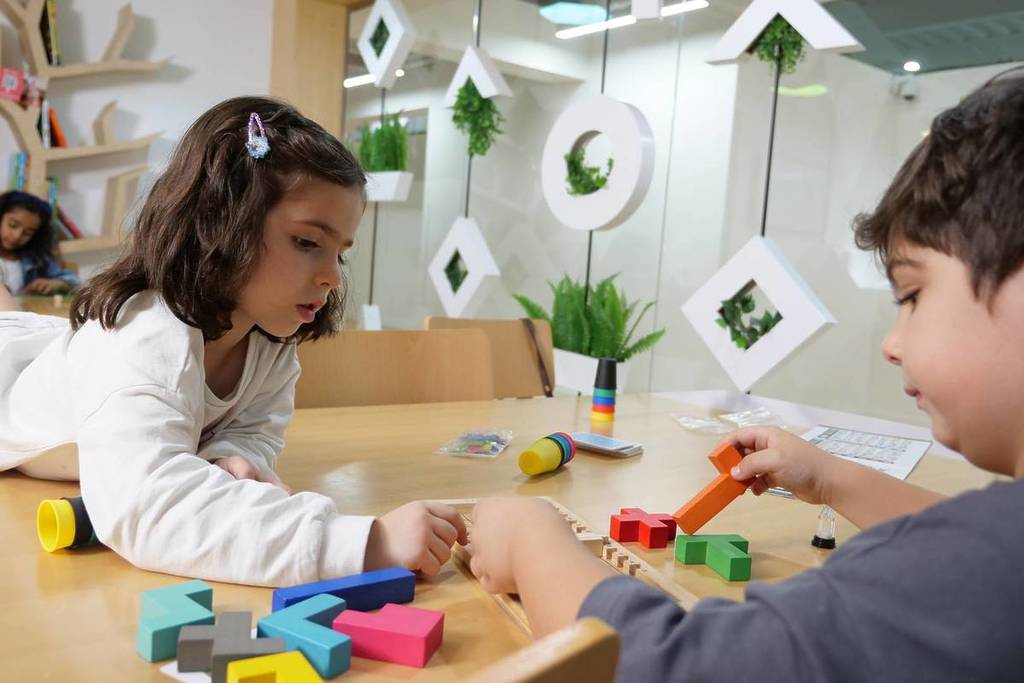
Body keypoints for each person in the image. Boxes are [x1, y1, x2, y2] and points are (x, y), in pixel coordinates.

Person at [467, 70, 1024, 681]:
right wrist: (832, 479)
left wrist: (532, 542)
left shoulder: (985, 571)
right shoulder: (994, 552)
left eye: (912, 294)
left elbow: (667, 666)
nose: (892, 345)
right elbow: (964, 538)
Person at [0, 96, 466, 587]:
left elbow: (256, 432)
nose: (332, 276)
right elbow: (146, 509)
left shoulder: (269, 342)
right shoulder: (142, 337)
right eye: (308, 242)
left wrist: (229, 455)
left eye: (340, 253)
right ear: (220, 224)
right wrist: (367, 543)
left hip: (52, 352)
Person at [0, 189, 80, 300]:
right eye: (13, 225)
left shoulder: (34, 259)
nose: (17, 236)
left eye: (28, 233)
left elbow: (74, 281)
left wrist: (56, 283)